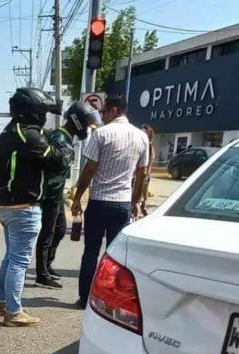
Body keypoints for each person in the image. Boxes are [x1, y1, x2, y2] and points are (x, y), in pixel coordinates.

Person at [0, 88, 68, 327]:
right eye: (43, 111)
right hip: (23, 207)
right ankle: (13, 313)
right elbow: (58, 160)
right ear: (34, 112)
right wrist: (63, 144)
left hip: (6, 205)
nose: (44, 116)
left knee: (10, 258)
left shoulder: (8, 132)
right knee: (19, 262)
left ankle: (2, 303)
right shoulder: (30, 135)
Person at [71, 96, 149, 309]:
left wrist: (77, 197)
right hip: (122, 204)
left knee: (91, 252)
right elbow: (142, 175)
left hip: (98, 203)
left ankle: (84, 297)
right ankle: (109, 301)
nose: (102, 116)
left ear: (114, 110)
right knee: (115, 257)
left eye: (104, 112)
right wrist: (135, 201)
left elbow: (89, 169)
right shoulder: (141, 137)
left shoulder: (101, 134)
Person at [35, 102, 101, 289]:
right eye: (86, 123)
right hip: (49, 194)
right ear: (77, 121)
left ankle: (47, 265)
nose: (88, 127)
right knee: (48, 233)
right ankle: (41, 274)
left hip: (57, 194)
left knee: (60, 229)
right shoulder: (59, 137)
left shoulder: (66, 138)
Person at [140, 124, 155, 216]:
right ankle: (143, 208)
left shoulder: (149, 148)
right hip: (139, 176)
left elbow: (149, 165)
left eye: (144, 133)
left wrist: (146, 177)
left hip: (143, 176)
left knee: (140, 198)